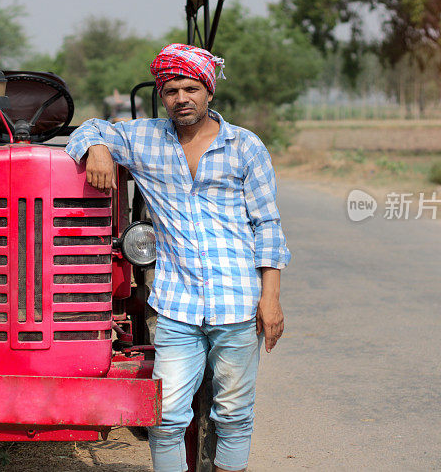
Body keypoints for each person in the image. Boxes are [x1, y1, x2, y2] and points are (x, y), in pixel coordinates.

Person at [65, 43, 291, 472]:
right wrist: (96, 148)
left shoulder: (245, 146)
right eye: (171, 91)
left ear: (209, 92)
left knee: (234, 415)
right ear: (161, 95)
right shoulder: (145, 139)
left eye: (191, 88)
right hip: (177, 307)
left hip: (238, 303)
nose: (181, 98)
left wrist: (271, 298)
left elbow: (268, 226)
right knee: (166, 418)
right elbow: (89, 128)